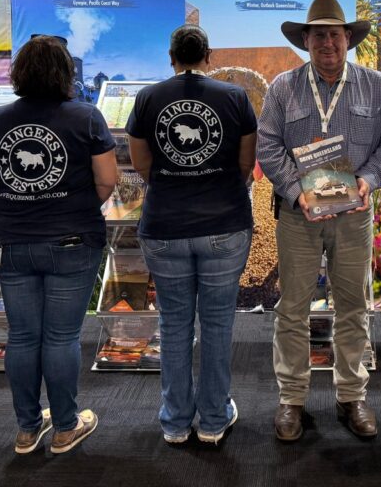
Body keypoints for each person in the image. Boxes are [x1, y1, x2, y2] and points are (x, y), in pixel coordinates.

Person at [257, 0, 381, 441]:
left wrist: (369, 179)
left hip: (353, 216)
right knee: (292, 308)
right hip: (298, 217)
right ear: (305, 40)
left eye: (335, 35)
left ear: (348, 39)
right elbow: (268, 145)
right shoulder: (283, 87)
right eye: (319, 35)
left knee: (353, 306)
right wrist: (296, 190)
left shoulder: (376, 86)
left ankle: (351, 396)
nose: (328, 43)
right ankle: (291, 399)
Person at [0, 36, 117, 455]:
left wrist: (26, 198)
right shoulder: (86, 117)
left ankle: (26, 428)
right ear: (65, 73)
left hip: (14, 242)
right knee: (61, 337)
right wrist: (74, 205)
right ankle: (66, 427)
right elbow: (107, 180)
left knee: (22, 337)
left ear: (19, 72)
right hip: (74, 240)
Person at [124, 25, 256, 446]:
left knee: (174, 324)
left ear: (171, 58)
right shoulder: (234, 97)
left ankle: (176, 422)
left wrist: (172, 182)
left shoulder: (148, 98)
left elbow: (141, 164)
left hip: (165, 226)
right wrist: (216, 183)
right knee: (217, 324)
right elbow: (246, 163)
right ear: (209, 56)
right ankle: (214, 419)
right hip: (224, 224)